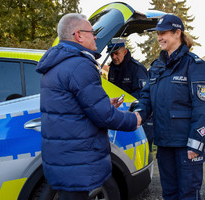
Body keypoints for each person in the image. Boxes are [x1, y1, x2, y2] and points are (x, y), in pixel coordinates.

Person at [36, 13, 141, 200]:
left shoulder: (58, 63)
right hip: (77, 159)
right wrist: (134, 119)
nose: (96, 37)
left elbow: (69, 106)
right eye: (92, 32)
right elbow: (104, 116)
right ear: (78, 35)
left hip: (65, 157)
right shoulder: (79, 65)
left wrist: (103, 103)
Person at [133, 14, 205, 200]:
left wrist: (196, 144)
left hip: (185, 145)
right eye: (158, 33)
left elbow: (203, 108)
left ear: (178, 33)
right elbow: (146, 97)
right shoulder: (156, 66)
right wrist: (138, 115)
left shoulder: (194, 65)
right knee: (169, 194)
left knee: (188, 195)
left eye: (163, 33)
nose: (159, 37)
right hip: (164, 143)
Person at [107, 38, 154, 151]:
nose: (114, 57)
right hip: (123, 117)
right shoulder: (112, 69)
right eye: (111, 54)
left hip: (140, 117)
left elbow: (143, 94)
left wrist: (121, 99)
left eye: (117, 53)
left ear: (125, 51)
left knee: (143, 153)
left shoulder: (137, 68)